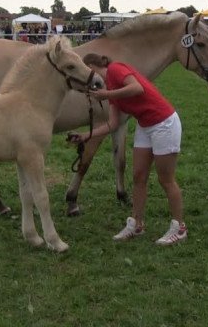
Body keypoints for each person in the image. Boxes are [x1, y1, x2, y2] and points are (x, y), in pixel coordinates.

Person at [69, 53, 187, 246]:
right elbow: (113, 123)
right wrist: (85, 136)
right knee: (138, 176)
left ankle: (180, 228)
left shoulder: (116, 69)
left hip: (164, 123)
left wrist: (106, 95)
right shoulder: (110, 90)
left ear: (94, 66)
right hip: (146, 125)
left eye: (88, 70)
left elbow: (136, 88)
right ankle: (137, 224)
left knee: (165, 179)